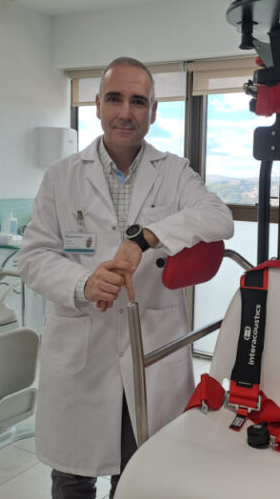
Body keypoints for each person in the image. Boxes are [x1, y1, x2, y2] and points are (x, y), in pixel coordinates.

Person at [17, 57, 234, 499]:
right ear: (97, 105)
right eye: (114, 99)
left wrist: (144, 238)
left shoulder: (173, 171)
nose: (125, 112)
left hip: (149, 346)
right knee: (72, 479)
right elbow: (34, 256)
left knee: (139, 475)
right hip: (82, 346)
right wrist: (82, 284)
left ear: (153, 111)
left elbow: (218, 217)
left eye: (138, 101)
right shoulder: (61, 176)